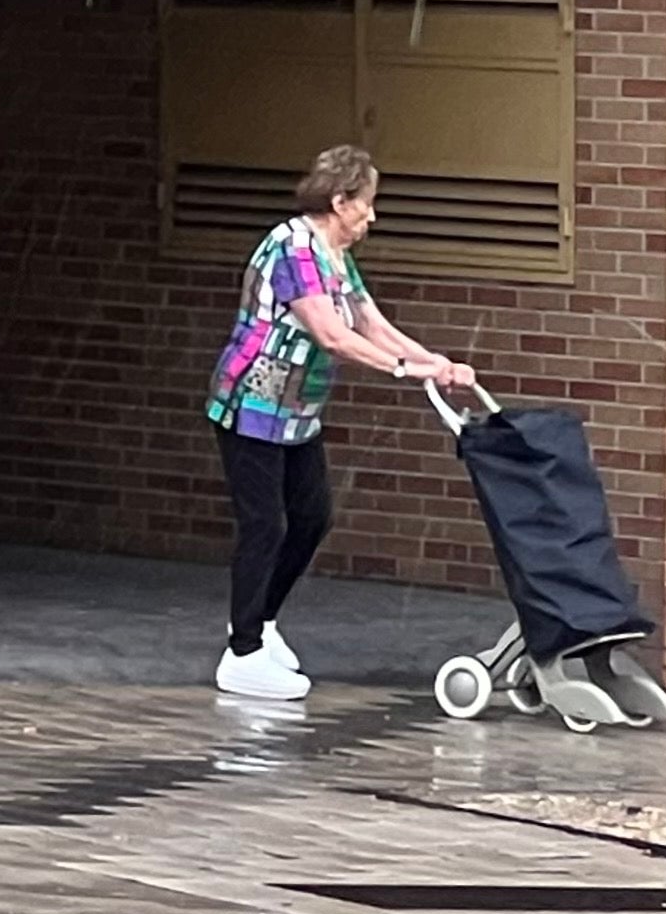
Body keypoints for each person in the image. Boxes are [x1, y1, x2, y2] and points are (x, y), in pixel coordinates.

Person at [202, 144, 474, 702]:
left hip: (298, 411)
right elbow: (331, 334)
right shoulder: (294, 250)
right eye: (366, 205)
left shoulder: (334, 255)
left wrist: (436, 364)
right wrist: (405, 370)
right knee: (265, 525)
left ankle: (262, 624)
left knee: (312, 516)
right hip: (252, 404)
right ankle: (243, 653)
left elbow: (371, 323)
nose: (371, 217)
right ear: (339, 199)